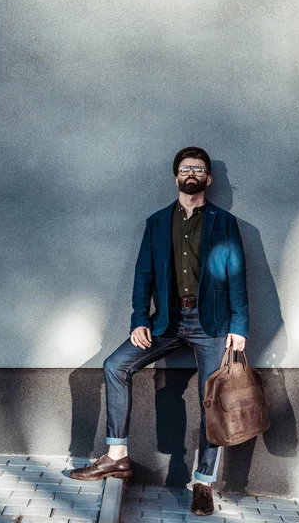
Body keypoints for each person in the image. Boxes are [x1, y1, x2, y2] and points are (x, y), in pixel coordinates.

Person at [70, 147, 249, 516]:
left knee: (211, 401)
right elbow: (144, 275)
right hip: (166, 321)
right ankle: (117, 455)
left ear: (208, 178)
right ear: (176, 177)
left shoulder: (223, 222)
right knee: (115, 365)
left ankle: (202, 482)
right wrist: (139, 319)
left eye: (199, 168)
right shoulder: (156, 223)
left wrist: (239, 325)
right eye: (185, 168)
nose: (192, 173)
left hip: (211, 324)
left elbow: (237, 275)